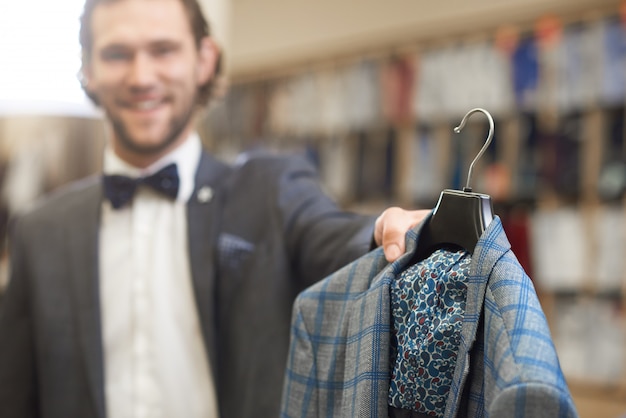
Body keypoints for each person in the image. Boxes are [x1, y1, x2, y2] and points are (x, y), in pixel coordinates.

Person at [0, 0, 429, 417]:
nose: (141, 75)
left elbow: (331, 236)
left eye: (163, 50)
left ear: (205, 59)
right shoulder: (40, 232)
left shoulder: (269, 192)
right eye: (117, 53)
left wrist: (380, 232)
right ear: (88, 71)